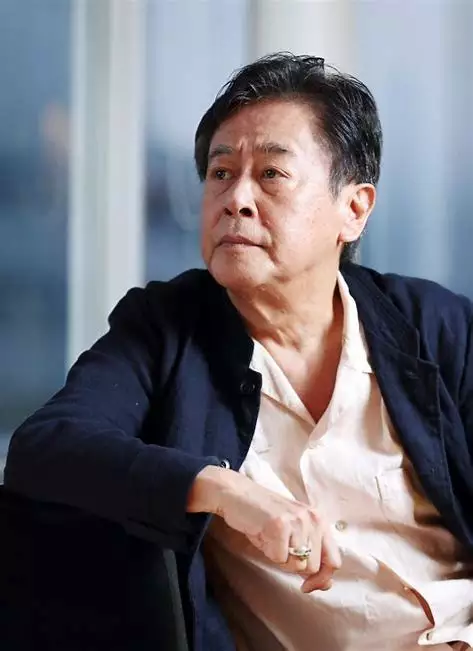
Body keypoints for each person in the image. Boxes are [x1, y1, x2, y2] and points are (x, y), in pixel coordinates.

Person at [4, 53, 473, 651]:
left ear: (353, 210)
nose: (236, 199)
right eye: (221, 173)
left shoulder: (435, 326)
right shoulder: (167, 330)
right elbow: (45, 449)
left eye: (272, 174)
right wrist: (224, 492)